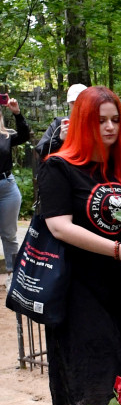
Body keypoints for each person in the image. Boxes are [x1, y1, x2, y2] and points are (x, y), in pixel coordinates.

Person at [38, 86, 121, 405]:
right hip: (77, 293)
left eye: (115, 119)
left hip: (115, 290)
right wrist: (119, 251)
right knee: (100, 386)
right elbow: (60, 226)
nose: (109, 127)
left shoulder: (117, 168)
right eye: (100, 120)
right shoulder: (58, 167)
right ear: (82, 123)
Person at [0, 96, 30, 279]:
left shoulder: (6, 135)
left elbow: (25, 136)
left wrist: (17, 113)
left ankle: (13, 275)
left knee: (9, 234)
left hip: (7, 189)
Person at [35, 83, 87, 160]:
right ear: (69, 104)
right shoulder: (60, 124)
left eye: (81, 101)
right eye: (73, 102)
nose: (77, 105)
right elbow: (41, 149)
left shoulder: (97, 123)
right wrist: (59, 139)